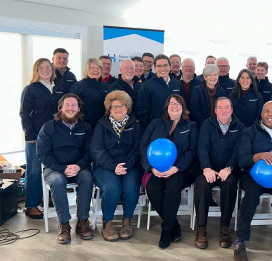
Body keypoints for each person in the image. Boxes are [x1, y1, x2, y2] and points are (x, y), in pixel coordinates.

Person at [234, 101, 272, 261]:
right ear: (261, 114)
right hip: (254, 176)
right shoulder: (249, 132)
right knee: (251, 197)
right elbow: (242, 160)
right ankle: (240, 241)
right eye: (267, 111)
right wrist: (259, 156)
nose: (270, 114)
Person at [140, 95, 198, 249]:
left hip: (181, 168)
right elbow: (144, 146)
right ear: (166, 107)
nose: (175, 106)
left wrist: (177, 168)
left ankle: (166, 230)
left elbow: (192, 151)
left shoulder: (191, 126)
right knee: (153, 188)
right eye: (171, 103)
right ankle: (173, 224)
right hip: (155, 166)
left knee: (173, 187)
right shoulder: (156, 123)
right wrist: (151, 167)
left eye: (178, 103)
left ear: (183, 107)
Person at [36, 94, 94, 244]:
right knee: (57, 180)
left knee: (87, 177)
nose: (70, 108)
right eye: (67, 105)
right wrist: (62, 168)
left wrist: (79, 165)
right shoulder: (48, 127)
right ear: (60, 108)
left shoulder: (86, 127)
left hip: (79, 168)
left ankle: (82, 221)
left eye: (74, 105)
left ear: (79, 108)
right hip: (54, 168)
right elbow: (42, 154)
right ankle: (64, 224)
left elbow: (90, 152)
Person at [91, 90, 143, 241]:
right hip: (105, 166)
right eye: (115, 107)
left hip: (129, 165)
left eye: (122, 106)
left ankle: (127, 221)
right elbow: (96, 149)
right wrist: (113, 166)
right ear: (109, 109)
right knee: (113, 188)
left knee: (130, 187)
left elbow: (138, 148)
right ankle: (107, 223)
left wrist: (127, 164)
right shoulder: (101, 125)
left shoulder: (135, 124)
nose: (118, 109)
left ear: (128, 107)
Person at [195, 97, 244, 249]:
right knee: (201, 184)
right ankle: (201, 229)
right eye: (220, 107)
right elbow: (202, 147)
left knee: (230, 184)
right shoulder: (207, 124)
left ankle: (225, 228)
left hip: (228, 171)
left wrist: (229, 167)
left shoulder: (240, 126)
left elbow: (239, 151)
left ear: (232, 109)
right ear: (215, 110)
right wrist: (206, 167)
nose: (224, 110)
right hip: (209, 169)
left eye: (227, 107)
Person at [20, 58, 62, 219]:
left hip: (55, 135)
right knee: (34, 170)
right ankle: (31, 204)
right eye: (41, 67)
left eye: (48, 67)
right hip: (35, 136)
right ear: (36, 71)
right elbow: (24, 113)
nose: (45, 70)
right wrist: (29, 135)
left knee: (53, 167)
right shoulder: (30, 89)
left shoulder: (57, 87)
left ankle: (49, 196)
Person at [137, 54, 183, 129]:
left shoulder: (177, 84)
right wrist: (147, 128)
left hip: (175, 126)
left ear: (170, 66)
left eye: (165, 65)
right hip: (156, 127)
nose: (163, 68)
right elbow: (143, 111)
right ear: (155, 68)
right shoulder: (147, 86)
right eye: (159, 66)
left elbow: (182, 105)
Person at [70, 58, 109, 127]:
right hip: (86, 125)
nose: (95, 70)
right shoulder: (79, 86)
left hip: (104, 125)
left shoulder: (106, 86)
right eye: (92, 68)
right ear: (87, 69)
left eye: (98, 68)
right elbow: (72, 107)